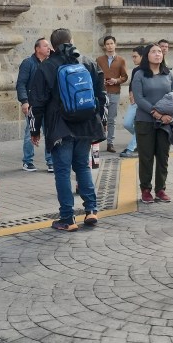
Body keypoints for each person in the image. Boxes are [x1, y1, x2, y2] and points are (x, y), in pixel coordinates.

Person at [29, 27, 106, 231]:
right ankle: (91, 210)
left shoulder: (46, 67)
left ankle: (67, 219)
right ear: (72, 40)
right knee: (82, 166)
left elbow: (36, 103)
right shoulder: (87, 61)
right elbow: (101, 94)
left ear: (52, 46)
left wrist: (34, 130)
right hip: (85, 124)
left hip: (59, 127)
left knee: (62, 172)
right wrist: (101, 121)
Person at [131, 43, 173, 203]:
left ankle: (160, 189)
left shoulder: (169, 74)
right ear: (147, 56)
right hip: (145, 121)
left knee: (163, 156)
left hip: (166, 122)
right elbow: (139, 98)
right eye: (153, 52)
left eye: (160, 51)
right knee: (146, 157)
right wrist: (157, 113)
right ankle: (145, 189)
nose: (158, 54)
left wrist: (167, 115)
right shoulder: (139, 75)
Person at [16, 37, 53, 172]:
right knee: (30, 132)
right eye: (45, 46)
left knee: (49, 132)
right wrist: (24, 101)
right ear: (37, 49)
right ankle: (28, 161)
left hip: (47, 104)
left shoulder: (50, 63)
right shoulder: (28, 63)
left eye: (49, 46)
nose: (48, 48)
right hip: (33, 104)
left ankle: (51, 161)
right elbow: (21, 83)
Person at [96, 35, 128, 153]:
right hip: (102, 92)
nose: (109, 46)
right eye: (107, 44)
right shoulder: (99, 60)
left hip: (114, 92)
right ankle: (97, 142)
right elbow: (96, 74)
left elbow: (125, 77)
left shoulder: (121, 60)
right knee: (99, 117)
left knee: (111, 119)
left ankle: (110, 143)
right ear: (104, 46)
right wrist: (101, 81)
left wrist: (116, 80)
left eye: (111, 43)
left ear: (115, 45)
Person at [119, 45, 145, 157]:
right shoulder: (135, 70)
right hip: (134, 102)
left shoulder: (149, 70)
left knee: (139, 125)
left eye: (135, 57)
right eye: (132, 57)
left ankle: (130, 148)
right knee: (127, 123)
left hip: (144, 102)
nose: (133, 59)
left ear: (142, 56)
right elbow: (132, 83)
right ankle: (143, 139)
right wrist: (131, 94)